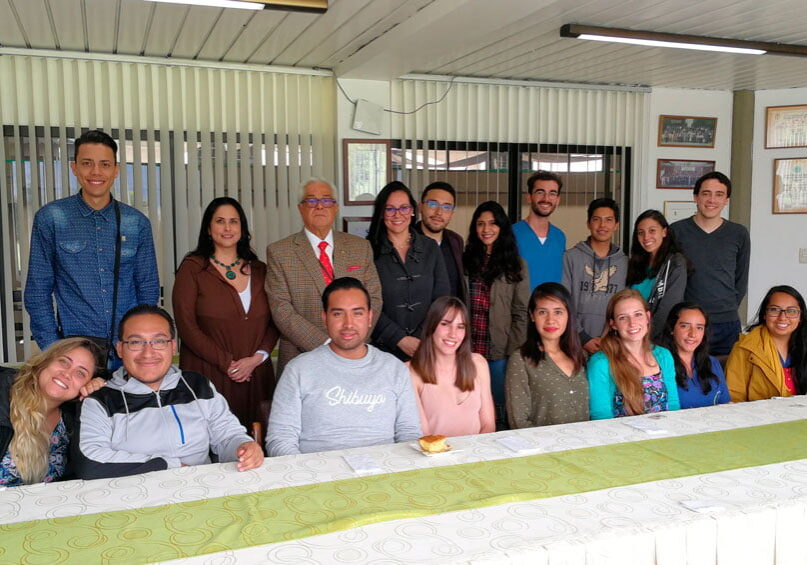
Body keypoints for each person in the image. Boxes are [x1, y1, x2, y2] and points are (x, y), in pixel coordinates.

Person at [75, 305, 263, 479]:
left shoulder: (197, 385)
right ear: (120, 349)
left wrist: (243, 446)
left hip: (200, 487)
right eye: (135, 342)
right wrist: (169, 465)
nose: (148, 353)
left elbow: (226, 435)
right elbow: (91, 462)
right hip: (135, 495)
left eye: (159, 341)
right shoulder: (101, 399)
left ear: (173, 346)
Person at [24, 129, 159, 365]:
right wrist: (55, 350)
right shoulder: (52, 218)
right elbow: (37, 291)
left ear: (116, 170)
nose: (96, 172)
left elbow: (147, 289)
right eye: (87, 163)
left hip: (126, 351)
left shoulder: (136, 223)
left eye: (105, 164)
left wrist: (141, 344)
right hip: (74, 351)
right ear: (74, 168)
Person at [266, 277, 421, 456]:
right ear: (324, 318)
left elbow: (409, 433)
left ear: (370, 317)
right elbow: (280, 439)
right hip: (319, 475)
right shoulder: (299, 370)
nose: (348, 324)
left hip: (383, 472)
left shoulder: (394, 368)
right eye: (338, 314)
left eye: (357, 313)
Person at [173, 197, 279, 427]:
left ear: (242, 228)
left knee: (259, 443)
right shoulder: (193, 268)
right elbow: (186, 325)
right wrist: (228, 363)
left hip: (256, 374)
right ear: (209, 229)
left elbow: (276, 319)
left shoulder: (261, 270)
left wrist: (257, 358)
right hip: (208, 373)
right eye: (220, 221)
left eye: (234, 221)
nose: (228, 228)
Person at [266, 178, 382, 375]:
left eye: (327, 200)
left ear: (335, 207)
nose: (319, 206)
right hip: (301, 357)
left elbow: (375, 298)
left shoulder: (360, 247)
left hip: (356, 355)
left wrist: (352, 342)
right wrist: (327, 346)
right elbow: (282, 310)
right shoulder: (280, 252)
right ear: (300, 208)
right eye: (311, 201)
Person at [463, 201, 530, 429]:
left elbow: (521, 312)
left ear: (502, 227)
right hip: (468, 350)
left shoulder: (516, 265)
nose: (486, 229)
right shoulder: (465, 261)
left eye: (492, 223)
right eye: (480, 224)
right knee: (470, 407)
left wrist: (513, 351)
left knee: (500, 409)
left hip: (500, 352)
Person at [1, 338, 102, 486]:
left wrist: (101, 391)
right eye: (64, 362)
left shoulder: (72, 421)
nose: (67, 374)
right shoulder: (4, 393)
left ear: (86, 385)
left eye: (80, 373)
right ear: (45, 361)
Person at [367, 181, 450, 361]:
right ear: (381, 213)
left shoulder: (430, 248)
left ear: (413, 210)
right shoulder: (368, 250)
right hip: (383, 349)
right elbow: (366, 304)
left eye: (404, 208)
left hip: (427, 346)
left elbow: (442, 298)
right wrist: (399, 339)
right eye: (390, 209)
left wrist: (421, 337)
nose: (398, 215)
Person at [670, 172, 750, 355]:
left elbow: (741, 279)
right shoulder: (677, 231)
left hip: (727, 324)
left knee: (725, 379)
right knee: (685, 378)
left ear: (726, 200)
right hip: (688, 322)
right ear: (696, 197)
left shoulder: (739, 234)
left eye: (719, 194)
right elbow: (670, 280)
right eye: (706, 193)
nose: (712, 200)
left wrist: (725, 308)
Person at [408, 296, 495, 437]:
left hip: (477, 454)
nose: (453, 334)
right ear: (431, 326)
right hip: (435, 456)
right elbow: (424, 436)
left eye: (460, 327)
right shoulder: (411, 371)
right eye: (445, 324)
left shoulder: (478, 363)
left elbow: (488, 425)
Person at [587, 289, 681, 420]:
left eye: (638, 314)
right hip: (622, 438)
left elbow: (673, 405)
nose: (632, 323)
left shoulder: (663, 355)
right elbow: (601, 415)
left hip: (663, 435)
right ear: (613, 324)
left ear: (648, 317)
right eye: (623, 318)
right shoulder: (601, 362)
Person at [506, 282, 589, 428]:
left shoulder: (582, 356)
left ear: (568, 315)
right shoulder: (521, 359)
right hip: (543, 447)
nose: (551, 320)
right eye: (542, 312)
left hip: (584, 446)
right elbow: (518, 421)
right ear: (532, 316)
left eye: (558, 312)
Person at [562, 197, 628, 354]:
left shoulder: (625, 263)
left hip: (612, 343)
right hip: (574, 341)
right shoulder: (570, 257)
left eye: (608, 220)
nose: (602, 225)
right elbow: (563, 300)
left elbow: (625, 306)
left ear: (616, 225)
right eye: (597, 219)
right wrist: (583, 338)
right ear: (588, 223)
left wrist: (610, 337)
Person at [726, 285, 806, 402]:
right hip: (760, 418)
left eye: (791, 311)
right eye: (775, 309)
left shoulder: (804, 345)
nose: (782, 317)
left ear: (801, 317)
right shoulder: (744, 348)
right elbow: (733, 398)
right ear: (764, 314)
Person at [626, 210, 687, 341]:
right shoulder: (634, 263)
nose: (646, 237)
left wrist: (645, 339)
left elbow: (667, 309)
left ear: (664, 232)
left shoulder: (676, 262)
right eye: (640, 232)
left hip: (656, 340)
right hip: (631, 336)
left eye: (652, 230)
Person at [658, 302, 730, 409]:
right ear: (671, 329)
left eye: (699, 328)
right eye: (685, 326)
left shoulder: (712, 362)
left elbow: (726, 404)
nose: (692, 334)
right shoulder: (658, 365)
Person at [513, 171, 567, 290]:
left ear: (558, 199)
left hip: (551, 306)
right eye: (540, 192)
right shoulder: (511, 234)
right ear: (529, 197)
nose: (546, 198)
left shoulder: (559, 237)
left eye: (552, 193)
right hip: (521, 307)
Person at [415, 181, 467, 302]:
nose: (439, 212)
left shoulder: (455, 241)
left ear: (452, 213)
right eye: (433, 204)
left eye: (447, 207)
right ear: (420, 207)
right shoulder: (408, 240)